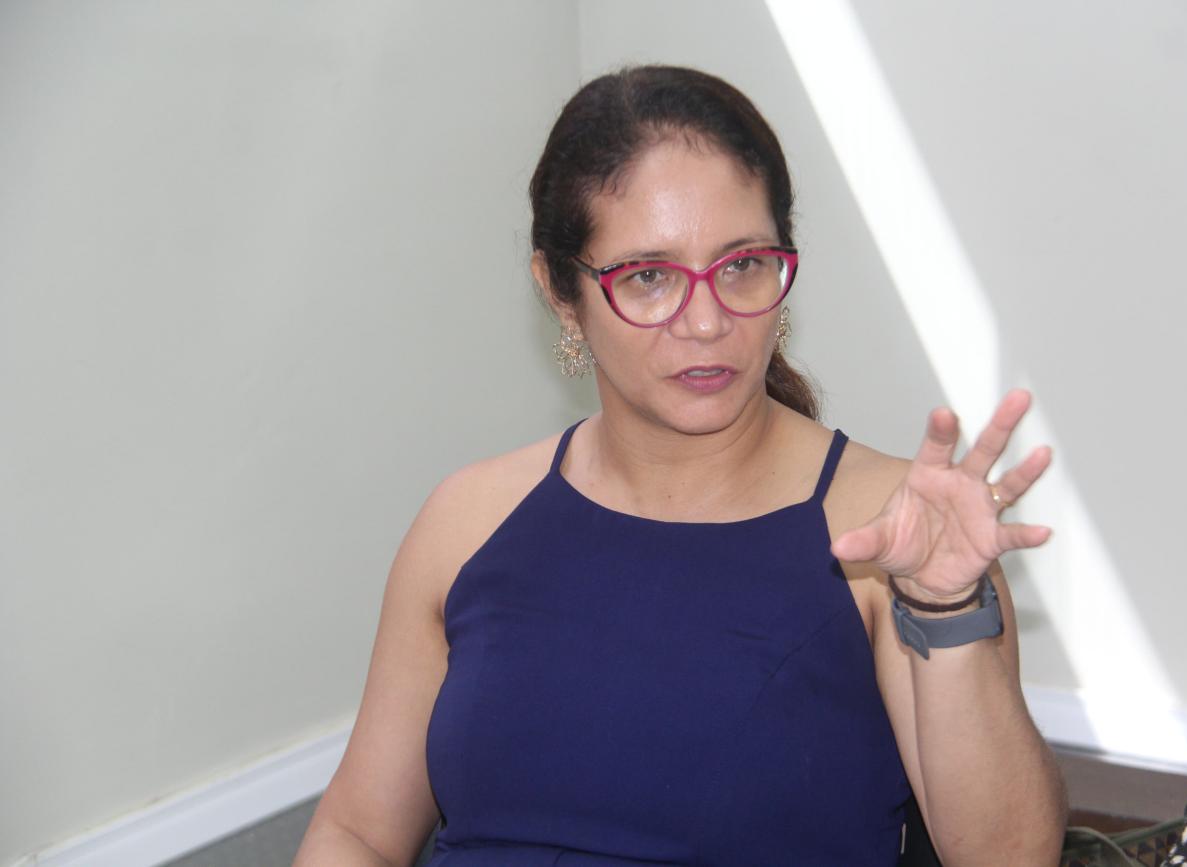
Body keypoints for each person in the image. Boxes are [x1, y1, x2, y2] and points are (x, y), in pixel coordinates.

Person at [294, 65, 1067, 866]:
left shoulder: (890, 529)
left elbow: (1010, 858)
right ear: (560, 293)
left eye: (742, 264)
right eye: (649, 276)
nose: (705, 321)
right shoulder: (468, 519)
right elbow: (357, 832)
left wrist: (945, 609)